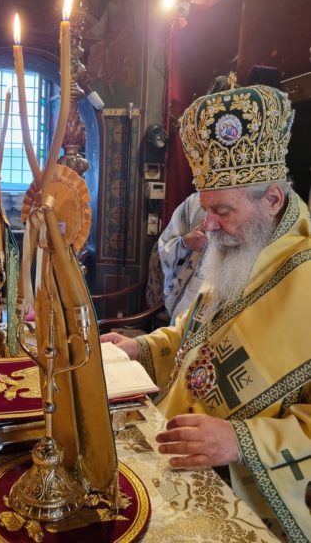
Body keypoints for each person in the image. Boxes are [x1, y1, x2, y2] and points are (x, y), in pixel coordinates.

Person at [102, 82, 311, 541]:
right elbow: (194, 335)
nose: (209, 226)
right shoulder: (240, 246)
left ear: (272, 199)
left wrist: (241, 441)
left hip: (249, 488)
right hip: (180, 448)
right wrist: (140, 346)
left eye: (222, 210)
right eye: (206, 209)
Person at [157, 191, 206, 324]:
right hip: (186, 305)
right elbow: (165, 247)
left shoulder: (251, 203)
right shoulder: (193, 203)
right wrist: (186, 243)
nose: (210, 224)